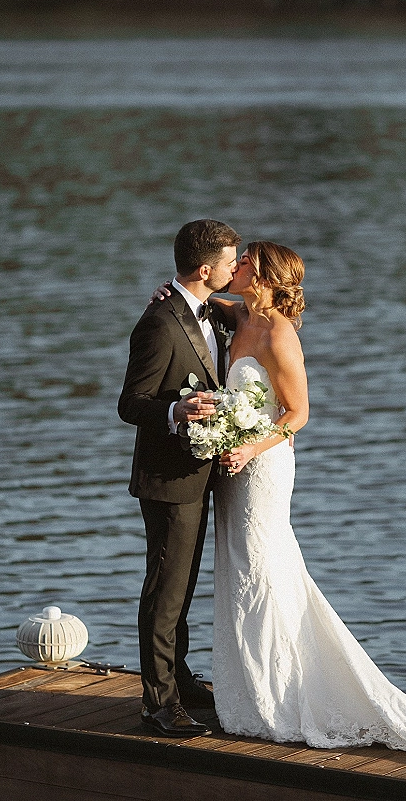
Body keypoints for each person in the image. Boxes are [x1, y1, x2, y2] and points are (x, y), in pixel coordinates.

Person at [152, 239, 406, 777]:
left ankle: (283, 696)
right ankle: (248, 693)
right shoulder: (237, 317)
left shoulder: (279, 334)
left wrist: (247, 446)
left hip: (262, 467)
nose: (232, 270)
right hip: (233, 472)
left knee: (263, 569)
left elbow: (298, 413)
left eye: (242, 264)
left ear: (258, 275)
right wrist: (171, 296)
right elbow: (195, 303)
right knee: (237, 571)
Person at [117, 218, 241, 738]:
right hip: (167, 479)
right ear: (205, 268)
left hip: (199, 475)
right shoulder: (160, 323)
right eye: (231, 262)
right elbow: (130, 404)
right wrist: (176, 409)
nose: (237, 269)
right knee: (165, 592)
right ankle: (159, 704)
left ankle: (181, 678)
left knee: (184, 587)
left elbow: (251, 310)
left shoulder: (208, 309)